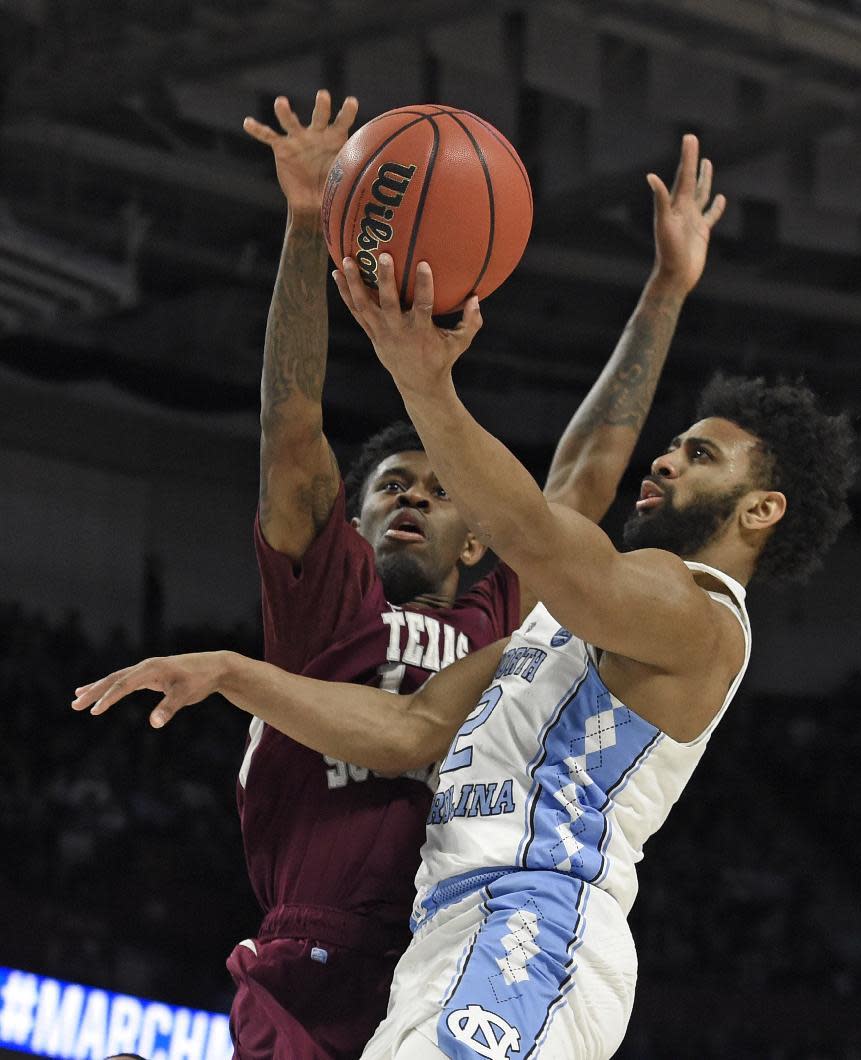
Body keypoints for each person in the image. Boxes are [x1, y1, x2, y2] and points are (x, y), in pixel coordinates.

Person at [80, 101, 725, 1059]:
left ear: (478, 539)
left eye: (436, 489)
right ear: (355, 520)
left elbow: (583, 472)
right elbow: (291, 430)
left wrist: (667, 289)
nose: (414, 499)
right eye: (390, 487)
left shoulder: (502, 611)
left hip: (454, 943)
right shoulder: (327, 599)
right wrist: (306, 228)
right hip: (318, 952)